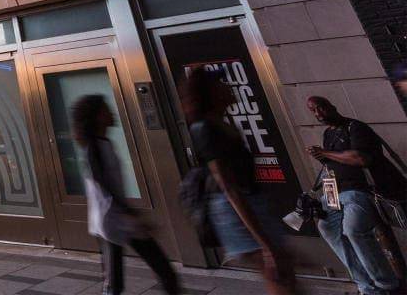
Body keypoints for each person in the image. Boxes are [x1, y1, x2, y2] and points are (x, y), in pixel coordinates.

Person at [182, 68, 294, 295]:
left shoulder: (220, 123)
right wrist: (264, 243)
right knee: (279, 276)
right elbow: (228, 187)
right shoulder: (205, 129)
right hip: (235, 210)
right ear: (211, 92)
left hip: (249, 203)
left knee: (283, 274)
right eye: (221, 83)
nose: (228, 86)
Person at [72, 94, 180, 295]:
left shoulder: (104, 143)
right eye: (105, 110)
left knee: (158, 272)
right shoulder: (93, 147)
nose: (111, 113)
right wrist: (129, 212)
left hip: (118, 218)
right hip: (111, 220)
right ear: (96, 116)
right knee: (117, 283)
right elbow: (102, 182)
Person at [307, 96, 405, 295]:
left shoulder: (355, 127)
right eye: (313, 111)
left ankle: (386, 285)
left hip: (361, 192)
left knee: (353, 230)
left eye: (321, 108)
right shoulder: (328, 134)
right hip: (337, 193)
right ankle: (366, 286)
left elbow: (360, 158)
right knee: (326, 227)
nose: (318, 114)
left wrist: (325, 153)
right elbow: (332, 166)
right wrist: (325, 192)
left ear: (332, 106)